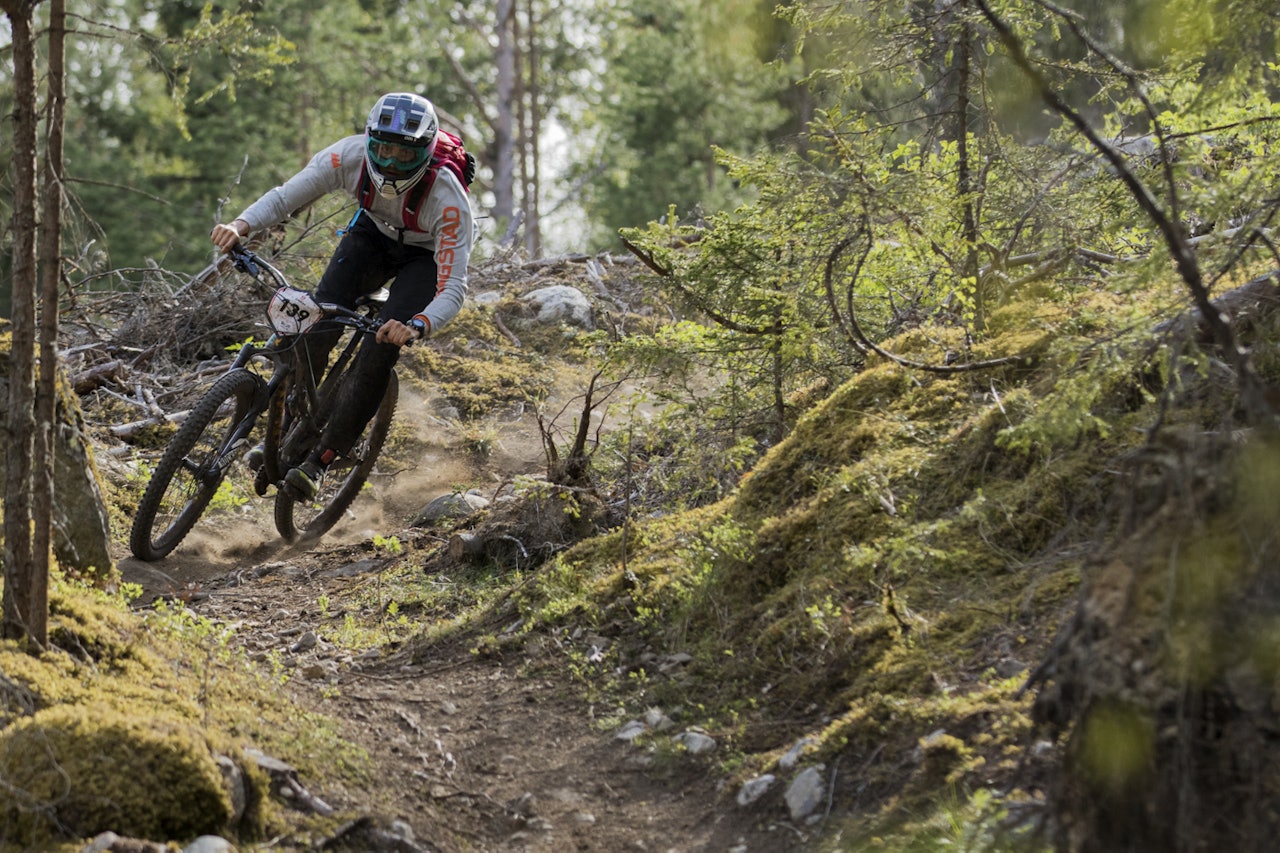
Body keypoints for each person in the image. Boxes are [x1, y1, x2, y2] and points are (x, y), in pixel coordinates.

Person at [210, 91, 474, 500]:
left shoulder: (448, 197)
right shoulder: (347, 157)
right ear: (368, 140)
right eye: (383, 149)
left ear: (423, 154)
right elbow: (285, 197)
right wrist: (241, 224)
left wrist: (417, 325)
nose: (390, 162)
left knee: (378, 349)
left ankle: (322, 459)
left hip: (424, 259)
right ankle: (287, 432)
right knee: (314, 321)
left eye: (404, 155)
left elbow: (454, 287)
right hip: (371, 235)